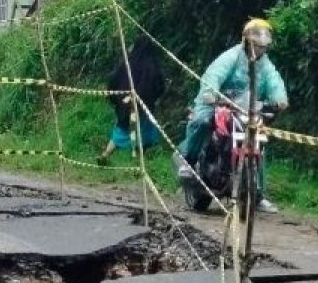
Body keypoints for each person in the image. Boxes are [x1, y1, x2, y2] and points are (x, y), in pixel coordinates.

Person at [176, 18, 289, 213]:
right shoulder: (231, 56)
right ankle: (189, 161)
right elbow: (214, 75)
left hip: (246, 110)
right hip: (218, 103)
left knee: (258, 141)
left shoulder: (266, 65)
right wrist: (210, 94)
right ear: (246, 41)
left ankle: (258, 194)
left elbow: (275, 82)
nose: (259, 50)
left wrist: (280, 99)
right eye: (255, 45)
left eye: (262, 47)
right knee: (202, 122)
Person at [98, 35, 165, 165]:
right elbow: (159, 86)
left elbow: (113, 81)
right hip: (143, 107)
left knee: (121, 129)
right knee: (144, 134)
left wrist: (115, 99)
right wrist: (154, 99)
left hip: (125, 105)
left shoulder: (127, 63)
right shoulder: (152, 66)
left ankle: (105, 154)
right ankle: (139, 163)